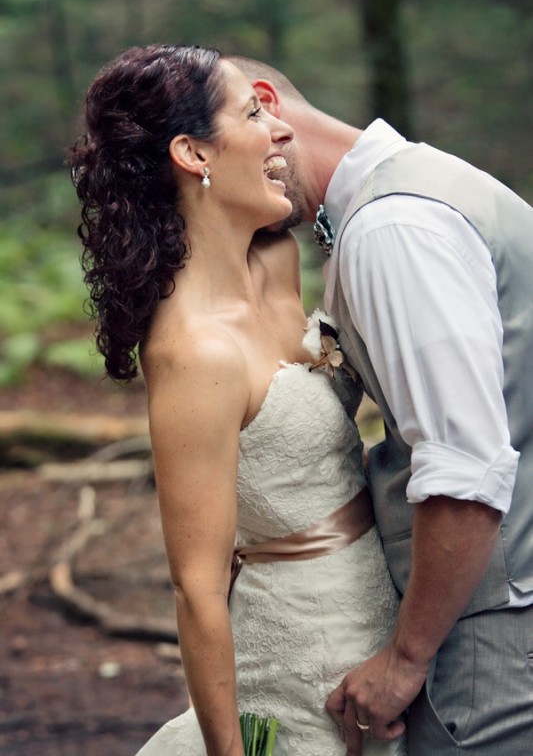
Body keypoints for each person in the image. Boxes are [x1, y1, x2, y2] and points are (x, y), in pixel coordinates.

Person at [69, 44, 404, 756]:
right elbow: (197, 588)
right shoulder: (193, 353)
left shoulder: (278, 261)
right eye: (252, 112)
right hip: (296, 650)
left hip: (382, 604)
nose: (279, 127)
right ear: (193, 153)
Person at [228, 55, 533, 755]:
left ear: (264, 108)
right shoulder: (413, 192)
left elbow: (464, 466)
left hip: (499, 622)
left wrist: (405, 658)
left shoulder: (393, 229)